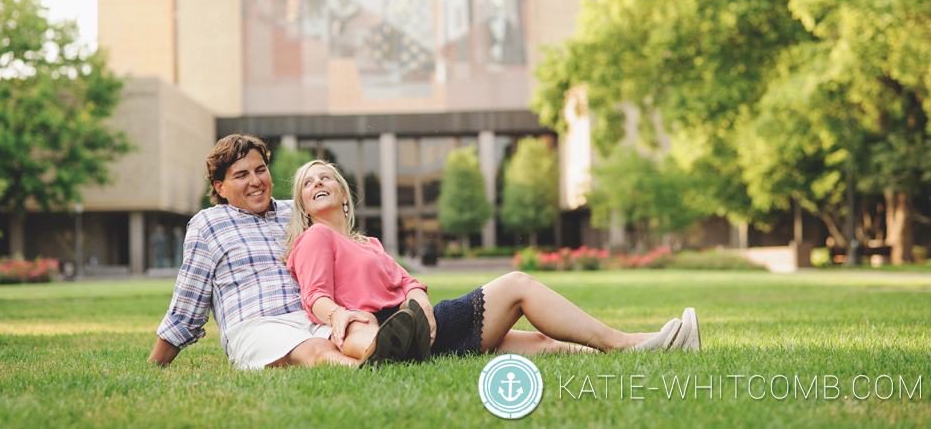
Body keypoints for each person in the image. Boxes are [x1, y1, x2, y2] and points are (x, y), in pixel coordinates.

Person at [285, 159, 701, 364]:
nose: (317, 183)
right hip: (389, 328)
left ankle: (658, 345)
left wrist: (424, 307)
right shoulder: (315, 238)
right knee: (517, 284)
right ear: (304, 203)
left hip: (418, 321)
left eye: (324, 177)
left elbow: (409, 282)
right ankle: (623, 342)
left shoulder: (369, 242)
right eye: (307, 182)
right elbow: (316, 296)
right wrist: (339, 315)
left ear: (342, 193)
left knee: (543, 345)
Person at [148, 135, 355, 371]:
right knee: (317, 349)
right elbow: (187, 309)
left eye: (260, 170)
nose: (255, 181)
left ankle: (387, 356)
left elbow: (342, 252)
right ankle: (370, 370)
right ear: (220, 187)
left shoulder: (297, 211)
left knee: (357, 331)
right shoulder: (207, 224)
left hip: (314, 317)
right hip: (257, 326)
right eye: (241, 175)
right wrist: (153, 366)